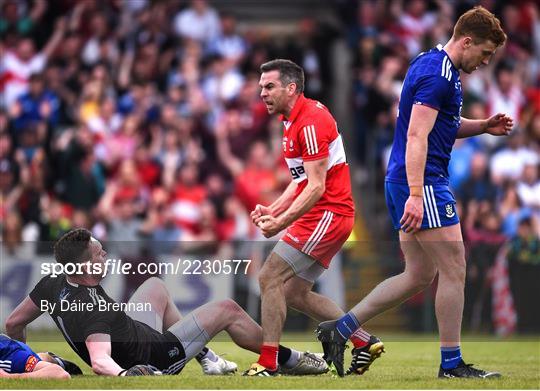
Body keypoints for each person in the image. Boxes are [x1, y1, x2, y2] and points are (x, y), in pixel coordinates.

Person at [316, 6, 512, 378]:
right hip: (422, 182)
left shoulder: (435, 65)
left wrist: (483, 126)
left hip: (405, 180)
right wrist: (418, 194)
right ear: (467, 41)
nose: (486, 62)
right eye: (485, 53)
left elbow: (440, 126)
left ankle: (340, 329)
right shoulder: (439, 76)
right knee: (455, 268)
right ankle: (451, 364)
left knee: (418, 274)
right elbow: (417, 136)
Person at [5, 228, 326, 377]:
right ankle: (289, 358)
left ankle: (207, 358)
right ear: (85, 267)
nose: (105, 255)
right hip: (154, 355)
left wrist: (30, 361)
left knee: (155, 285)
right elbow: (100, 360)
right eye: (99, 253)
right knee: (228, 309)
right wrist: (126, 377)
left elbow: (13, 323)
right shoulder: (92, 309)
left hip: (132, 330)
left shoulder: (51, 283)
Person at [245, 59, 384, 376]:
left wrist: (280, 224)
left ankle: (268, 363)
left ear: (290, 88)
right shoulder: (292, 120)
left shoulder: (308, 123)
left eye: (269, 87)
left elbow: (317, 186)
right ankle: (363, 341)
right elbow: (301, 180)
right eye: (261, 87)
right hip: (328, 214)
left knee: (269, 277)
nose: (262, 93)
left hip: (329, 213)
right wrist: (273, 209)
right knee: (293, 292)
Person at [0, 334, 71, 379]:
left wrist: (8, 377)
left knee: (35, 361)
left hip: (20, 354)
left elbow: (61, 374)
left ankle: (57, 361)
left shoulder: (11, 356)